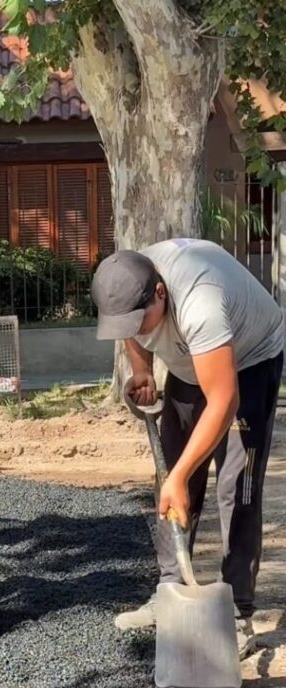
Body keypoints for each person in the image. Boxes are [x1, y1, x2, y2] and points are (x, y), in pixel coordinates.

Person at [92, 238, 285, 659]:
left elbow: (224, 400)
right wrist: (142, 370)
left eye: (141, 320)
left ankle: (238, 609)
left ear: (160, 292)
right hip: (189, 363)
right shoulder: (128, 281)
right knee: (173, 479)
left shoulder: (200, 302)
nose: (135, 329)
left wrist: (181, 473)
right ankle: (169, 589)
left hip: (249, 362)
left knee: (238, 484)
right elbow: (129, 327)